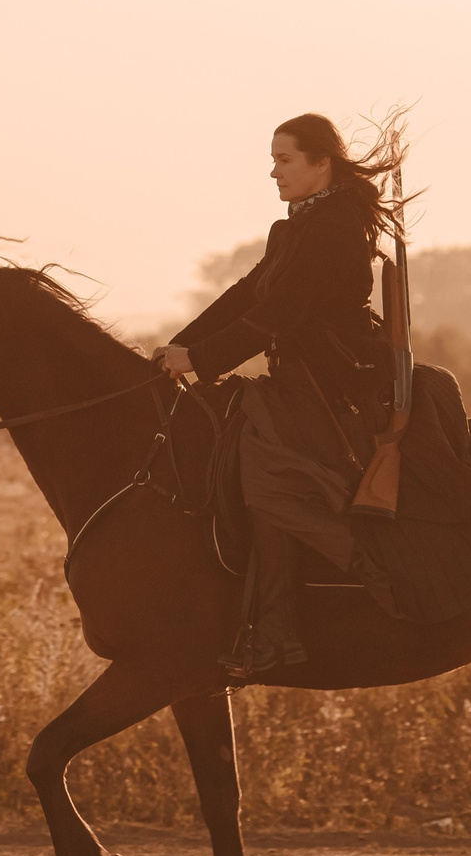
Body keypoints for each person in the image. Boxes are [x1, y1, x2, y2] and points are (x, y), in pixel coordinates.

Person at [156, 113, 405, 678]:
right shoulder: (293, 226)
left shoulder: (337, 224)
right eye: (273, 161)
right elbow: (248, 294)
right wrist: (179, 345)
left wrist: (199, 360)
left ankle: (278, 628)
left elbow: (281, 313)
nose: (273, 172)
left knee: (266, 476)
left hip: (333, 387)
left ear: (323, 163)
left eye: (285, 160)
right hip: (298, 381)